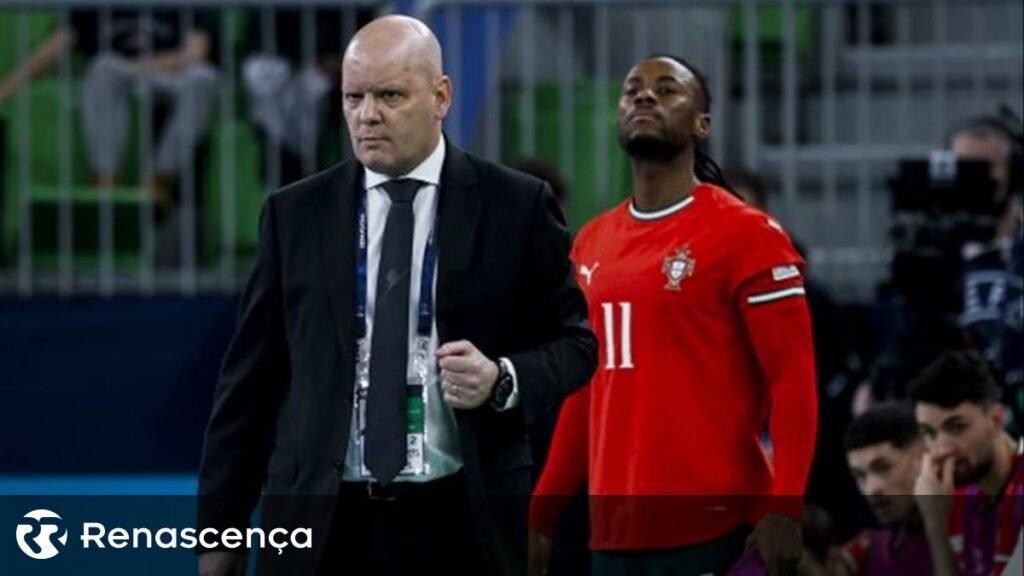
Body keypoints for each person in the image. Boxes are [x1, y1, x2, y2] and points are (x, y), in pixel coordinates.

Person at [197, 15, 597, 576]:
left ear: (441, 97)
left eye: (389, 95)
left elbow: (577, 346)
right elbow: (249, 384)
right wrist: (219, 533)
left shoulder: (516, 206)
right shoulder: (295, 215)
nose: (367, 115)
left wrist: (501, 377)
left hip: (462, 519)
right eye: (353, 96)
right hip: (320, 523)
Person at [529, 54, 818, 576]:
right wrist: (541, 515)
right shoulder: (592, 242)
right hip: (612, 531)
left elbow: (793, 381)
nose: (644, 97)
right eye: (632, 90)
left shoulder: (748, 235)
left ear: (702, 124)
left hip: (716, 523)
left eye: (667, 90)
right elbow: (584, 393)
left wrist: (785, 507)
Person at [0, 8, 220, 212]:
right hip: (115, 73)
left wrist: (137, 66)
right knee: (103, 66)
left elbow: (194, 54)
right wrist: (6, 89)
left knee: (204, 78)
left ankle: (160, 180)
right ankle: (106, 180)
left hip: (167, 74)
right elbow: (54, 48)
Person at [910, 350, 1024, 576]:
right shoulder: (950, 500)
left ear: (996, 419)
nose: (942, 449)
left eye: (956, 427)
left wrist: (935, 524)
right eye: (929, 433)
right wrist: (936, 523)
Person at [832, 403, 932, 575]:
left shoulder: (973, 527)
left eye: (883, 468)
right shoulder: (865, 555)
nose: (871, 489)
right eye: (860, 476)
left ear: (924, 456)